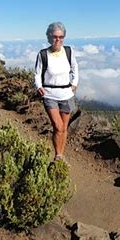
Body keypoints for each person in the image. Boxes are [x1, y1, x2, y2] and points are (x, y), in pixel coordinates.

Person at [34, 22, 78, 162]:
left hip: (66, 94)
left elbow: (75, 67)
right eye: (54, 37)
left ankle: (60, 155)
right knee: (58, 126)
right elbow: (37, 73)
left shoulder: (69, 51)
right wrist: (38, 86)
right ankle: (58, 155)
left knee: (64, 128)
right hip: (49, 94)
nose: (58, 40)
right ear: (49, 37)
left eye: (61, 37)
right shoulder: (43, 54)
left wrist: (74, 83)